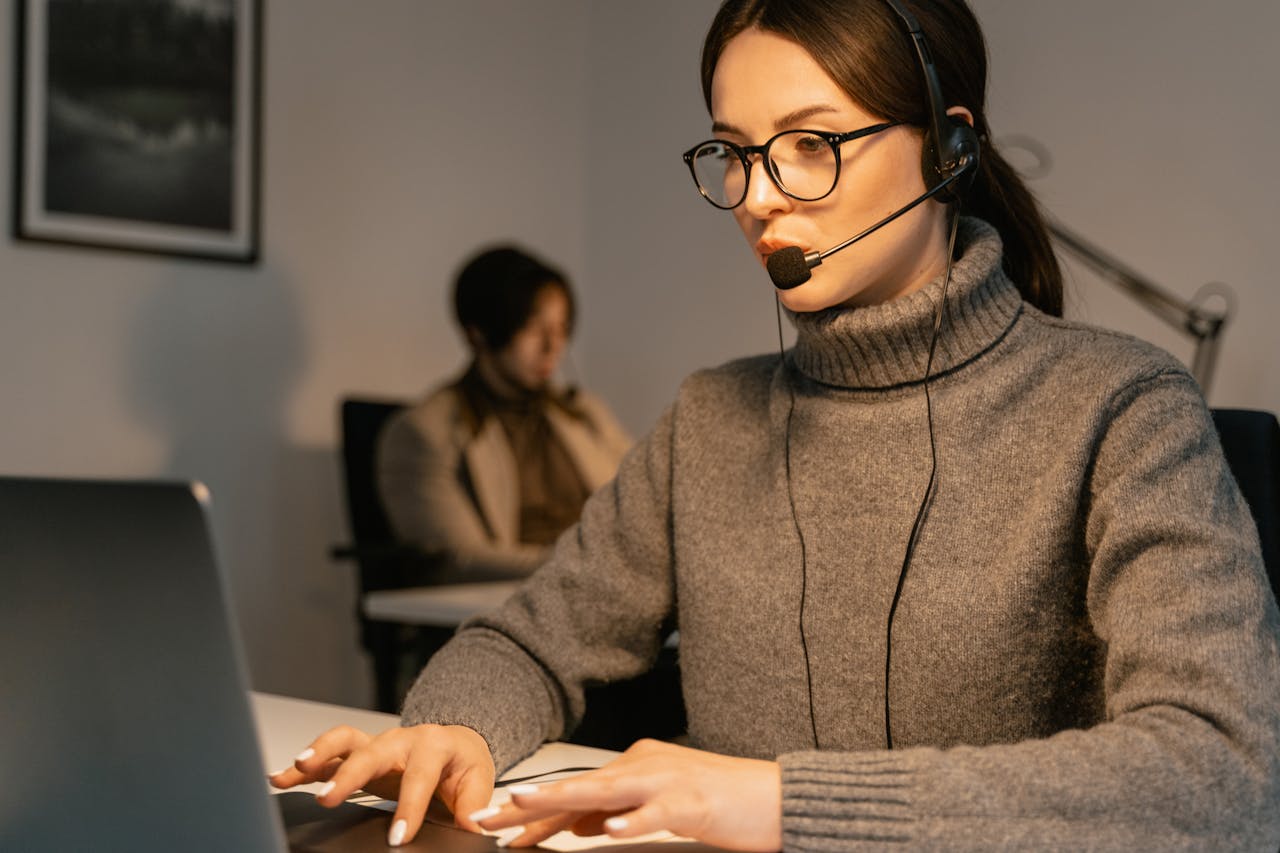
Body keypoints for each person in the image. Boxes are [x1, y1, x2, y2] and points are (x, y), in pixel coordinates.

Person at [272, 1, 1280, 849]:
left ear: (948, 145)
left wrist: (776, 800)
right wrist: (450, 727)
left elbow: (1222, 769)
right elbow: (529, 645)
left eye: (807, 146)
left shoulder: (1120, 408)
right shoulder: (710, 418)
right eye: (734, 153)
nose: (754, 198)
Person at [376, 245, 633, 579]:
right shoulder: (426, 433)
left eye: (561, 328)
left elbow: (644, 501)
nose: (552, 346)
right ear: (478, 334)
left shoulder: (583, 413)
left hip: (609, 594)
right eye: (532, 327)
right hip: (523, 606)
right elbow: (461, 560)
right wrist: (585, 567)